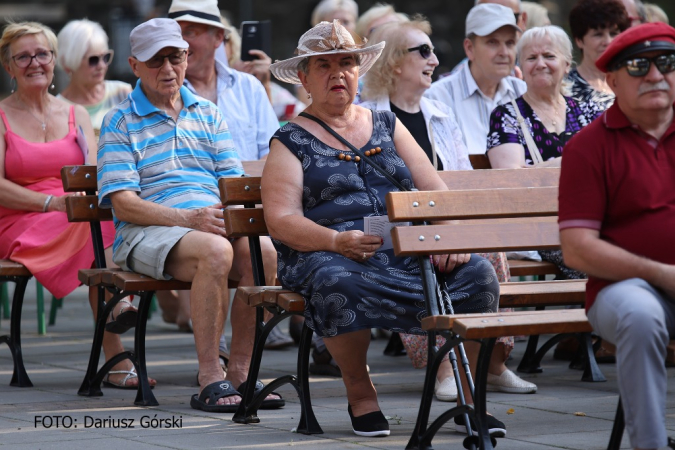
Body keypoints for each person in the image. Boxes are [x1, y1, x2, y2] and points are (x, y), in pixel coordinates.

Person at [264, 19, 505, 438]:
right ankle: (360, 392)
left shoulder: (386, 123)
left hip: (404, 250)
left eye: (347, 62)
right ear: (303, 77)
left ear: (360, 71)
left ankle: (467, 392)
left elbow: (435, 192)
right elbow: (281, 221)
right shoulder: (289, 140)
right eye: (323, 65)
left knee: (477, 273)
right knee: (337, 280)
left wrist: (448, 238)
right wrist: (335, 240)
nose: (337, 73)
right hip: (330, 252)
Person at [97, 18, 284, 412]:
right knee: (215, 252)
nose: (168, 69)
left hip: (205, 222)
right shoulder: (120, 120)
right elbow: (124, 204)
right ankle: (209, 378)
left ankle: (241, 372)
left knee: (265, 253)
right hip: (146, 228)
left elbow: (231, 183)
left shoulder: (209, 113)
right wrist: (188, 220)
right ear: (134, 66)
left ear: (187, 57)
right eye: (155, 61)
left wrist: (228, 217)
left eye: (175, 57)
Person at [360, 18, 536, 397]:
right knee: (418, 252)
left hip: (441, 219)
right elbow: (368, 192)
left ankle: (492, 362)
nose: (434, 59)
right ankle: (445, 368)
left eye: (433, 50)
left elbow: (458, 181)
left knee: (490, 247)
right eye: (423, 51)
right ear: (393, 62)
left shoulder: (439, 113)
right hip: (392, 227)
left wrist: (453, 230)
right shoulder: (366, 116)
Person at [0, 21, 154, 389]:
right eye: (23, 56)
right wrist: (51, 202)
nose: (34, 62)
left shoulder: (76, 114)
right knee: (95, 230)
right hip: (21, 218)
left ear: (54, 60)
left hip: (76, 218)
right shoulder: (1, 115)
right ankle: (119, 309)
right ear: (8, 66)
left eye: (42, 54)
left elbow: (97, 175)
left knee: (100, 224)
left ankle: (116, 351)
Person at [559, 22, 675, 450]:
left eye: (667, 62)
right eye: (639, 66)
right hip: (621, 289)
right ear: (612, 81)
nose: (656, 75)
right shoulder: (589, 147)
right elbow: (577, 249)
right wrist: (663, 272)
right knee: (641, 317)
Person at [167, 0, 293, 350]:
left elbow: (272, 157)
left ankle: (242, 363)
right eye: (175, 33)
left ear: (218, 36)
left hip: (246, 215)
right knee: (216, 250)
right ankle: (214, 352)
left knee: (265, 253)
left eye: (190, 32)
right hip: (187, 215)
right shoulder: (164, 89)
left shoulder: (249, 87)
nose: (181, 43)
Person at [487, 25, 602, 168]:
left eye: (549, 56)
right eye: (531, 58)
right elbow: (510, 178)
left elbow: (610, 161)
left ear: (566, 64)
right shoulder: (506, 116)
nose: (540, 64)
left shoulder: (590, 112)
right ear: (521, 67)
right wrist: (573, 160)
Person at [426, 3, 526, 155]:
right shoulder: (437, 98)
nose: (504, 52)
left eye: (510, 43)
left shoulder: (524, 92)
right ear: (469, 48)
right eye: (493, 42)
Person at [56, 19, 132, 138]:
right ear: (68, 64)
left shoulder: (122, 92)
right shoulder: (57, 109)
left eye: (105, 57)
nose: (102, 66)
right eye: (93, 60)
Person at [568, 0, 630, 112]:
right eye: (598, 34)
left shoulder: (631, 80)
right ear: (579, 41)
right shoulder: (565, 87)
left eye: (613, 33)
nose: (608, 41)